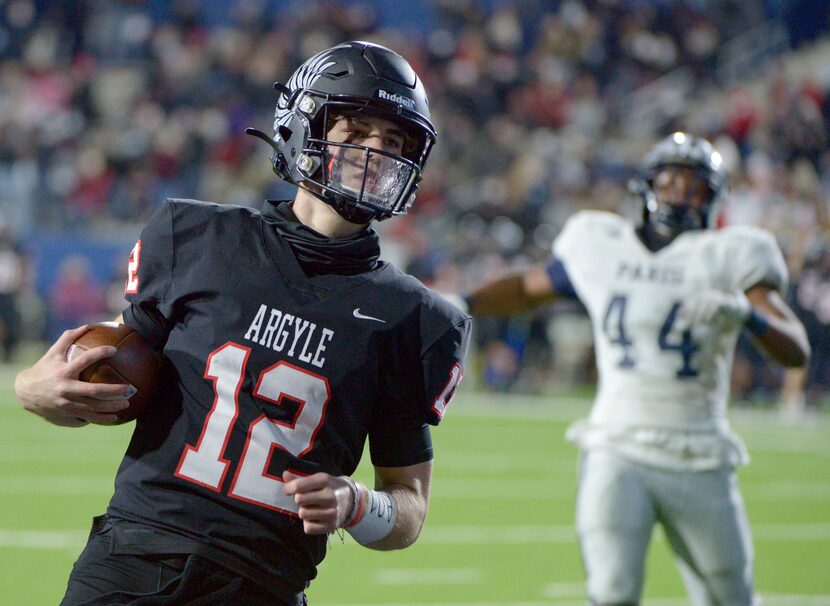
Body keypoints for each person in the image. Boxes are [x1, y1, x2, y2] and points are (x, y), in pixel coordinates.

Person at [15, 41, 471, 606]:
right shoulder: (198, 237)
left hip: (264, 584)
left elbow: (409, 506)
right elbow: (110, 376)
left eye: (395, 142)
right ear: (303, 129)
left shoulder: (415, 316)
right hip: (131, 562)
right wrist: (32, 388)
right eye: (355, 133)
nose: (376, 156)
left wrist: (357, 504)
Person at [455, 132, 810, 606]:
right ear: (647, 189)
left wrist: (750, 316)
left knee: (731, 596)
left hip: (699, 453)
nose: (680, 196)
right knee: (612, 591)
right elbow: (529, 286)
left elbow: (796, 350)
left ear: (714, 198)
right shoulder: (602, 243)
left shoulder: (733, 253)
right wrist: (462, 301)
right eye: (670, 183)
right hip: (616, 446)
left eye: (694, 187)